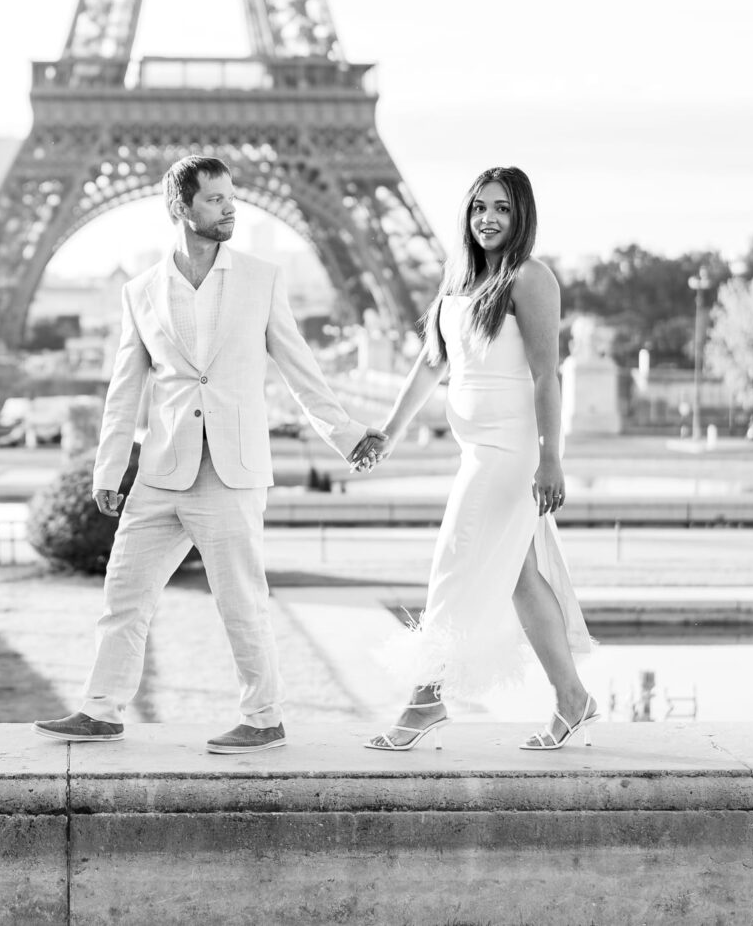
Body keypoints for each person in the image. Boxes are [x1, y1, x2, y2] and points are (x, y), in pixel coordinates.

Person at [33, 155, 384, 753]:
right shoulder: (139, 291)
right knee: (123, 594)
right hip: (163, 470)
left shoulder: (260, 278)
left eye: (231, 197)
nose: (231, 208)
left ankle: (264, 717)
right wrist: (109, 468)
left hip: (230, 470)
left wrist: (347, 434)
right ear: (181, 208)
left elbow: (301, 369)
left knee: (240, 602)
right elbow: (125, 391)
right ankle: (101, 709)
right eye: (216, 199)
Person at [354, 166, 596, 752]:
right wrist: (387, 431)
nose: (489, 218)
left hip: (512, 454)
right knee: (522, 579)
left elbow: (546, 375)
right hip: (476, 450)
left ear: (522, 217)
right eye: (480, 207)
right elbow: (432, 364)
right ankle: (573, 699)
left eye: (503, 209)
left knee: (453, 564)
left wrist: (551, 459)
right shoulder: (460, 278)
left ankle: (425, 700)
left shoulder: (531, 279)